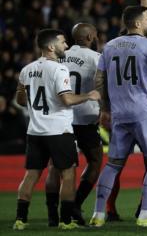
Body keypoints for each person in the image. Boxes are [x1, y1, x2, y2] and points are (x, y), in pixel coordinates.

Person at [89, 5, 147, 228]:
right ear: (137, 23)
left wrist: (105, 108)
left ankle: (98, 214)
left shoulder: (110, 46)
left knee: (113, 164)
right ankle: (146, 213)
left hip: (119, 113)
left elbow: (99, 79)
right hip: (145, 112)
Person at [13, 29, 100, 230]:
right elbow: (67, 99)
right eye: (62, 43)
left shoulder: (27, 69)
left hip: (35, 131)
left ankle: (20, 220)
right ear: (51, 47)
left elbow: (20, 99)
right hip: (58, 131)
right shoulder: (59, 69)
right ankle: (66, 221)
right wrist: (89, 96)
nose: (66, 46)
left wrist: (36, 102)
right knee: (68, 174)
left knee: (31, 175)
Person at [45, 23, 103, 226]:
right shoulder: (96, 58)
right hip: (85, 116)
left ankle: (53, 216)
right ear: (89, 37)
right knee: (95, 160)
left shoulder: (60, 55)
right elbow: (101, 85)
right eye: (95, 34)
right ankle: (75, 205)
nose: (96, 37)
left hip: (59, 117)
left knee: (54, 166)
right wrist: (104, 110)